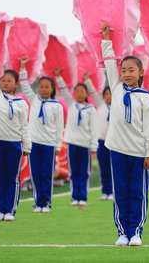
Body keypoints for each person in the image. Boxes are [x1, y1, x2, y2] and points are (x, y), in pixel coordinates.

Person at [101, 24, 149, 246]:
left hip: (138, 152)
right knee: (120, 192)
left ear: (141, 72)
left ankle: (136, 232)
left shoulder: (146, 98)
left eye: (131, 70)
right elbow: (108, 63)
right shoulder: (116, 88)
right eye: (123, 70)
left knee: (137, 192)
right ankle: (123, 232)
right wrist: (107, 39)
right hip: (117, 150)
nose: (126, 74)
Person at [0, 45, 31, 222]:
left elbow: (25, 126)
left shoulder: (21, 103)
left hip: (14, 144)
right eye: (3, 80)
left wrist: (27, 146)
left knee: (12, 178)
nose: (5, 83)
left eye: (9, 80)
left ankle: (10, 210)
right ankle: (0, 209)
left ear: (16, 83)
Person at [19, 57, 64, 213]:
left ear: (52, 89)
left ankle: (46, 203)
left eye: (47, 87)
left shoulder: (57, 106)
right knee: (36, 174)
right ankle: (38, 202)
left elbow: (59, 127)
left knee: (46, 174)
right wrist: (23, 67)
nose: (44, 89)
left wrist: (58, 145)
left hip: (49, 144)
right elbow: (24, 85)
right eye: (41, 87)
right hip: (34, 144)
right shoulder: (34, 100)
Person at [55, 69, 98, 206]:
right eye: (77, 91)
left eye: (82, 91)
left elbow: (94, 129)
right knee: (74, 172)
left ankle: (82, 197)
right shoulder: (72, 105)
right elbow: (64, 90)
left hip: (85, 145)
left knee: (84, 172)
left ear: (86, 93)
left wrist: (93, 146)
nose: (79, 93)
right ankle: (75, 197)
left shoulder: (91, 109)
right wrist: (58, 77)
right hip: (72, 144)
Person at [85, 74, 113, 201]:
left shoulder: (119, 107)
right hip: (102, 142)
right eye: (106, 94)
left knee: (114, 168)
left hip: (115, 142)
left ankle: (113, 191)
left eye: (110, 94)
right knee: (104, 168)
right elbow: (92, 92)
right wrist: (87, 79)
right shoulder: (100, 105)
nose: (108, 97)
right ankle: (105, 191)